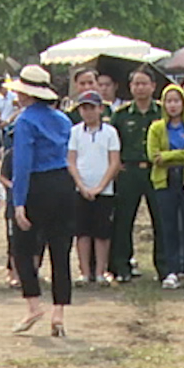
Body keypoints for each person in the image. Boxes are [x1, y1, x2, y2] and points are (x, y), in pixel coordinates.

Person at [7, 65, 76, 336]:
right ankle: (59, 312)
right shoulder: (63, 120)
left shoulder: (25, 121)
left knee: (23, 247)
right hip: (63, 183)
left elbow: (22, 164)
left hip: (37, 185)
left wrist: (19, 201)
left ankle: (34, 304)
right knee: (60, 251)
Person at [108, 66, 160, 281]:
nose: (140, 88)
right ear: (130, 87)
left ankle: (165, 267)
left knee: (161, 220)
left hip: (155, 171)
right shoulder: (120, 115)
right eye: (136, 84)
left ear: (153, 86)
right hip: (128, 172)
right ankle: (121, 266)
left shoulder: (163, 112)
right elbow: (111, 141)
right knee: (123, 220)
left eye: (144, 83)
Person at [146, 83, 184, 288]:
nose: (173, 105)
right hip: (164, 181)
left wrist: (169, 156)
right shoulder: (157, 128)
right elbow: (153, 156)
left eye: (177, 101)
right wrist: (179, 156)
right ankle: (171, 270)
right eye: (169, 101)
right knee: (168, 227)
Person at [67, 91, 120, 284]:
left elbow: (114, 162)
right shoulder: (75, 132)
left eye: (92, 108)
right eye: (84, 108)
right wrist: (81, 185)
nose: (88, 112)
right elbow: (71, 161)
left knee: (102, 232)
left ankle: (100, 271)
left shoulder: (110, 132)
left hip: (104, 190)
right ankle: (84, 272)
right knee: (82, 232)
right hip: (80, 189)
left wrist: (100, 187)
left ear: (100, 109)